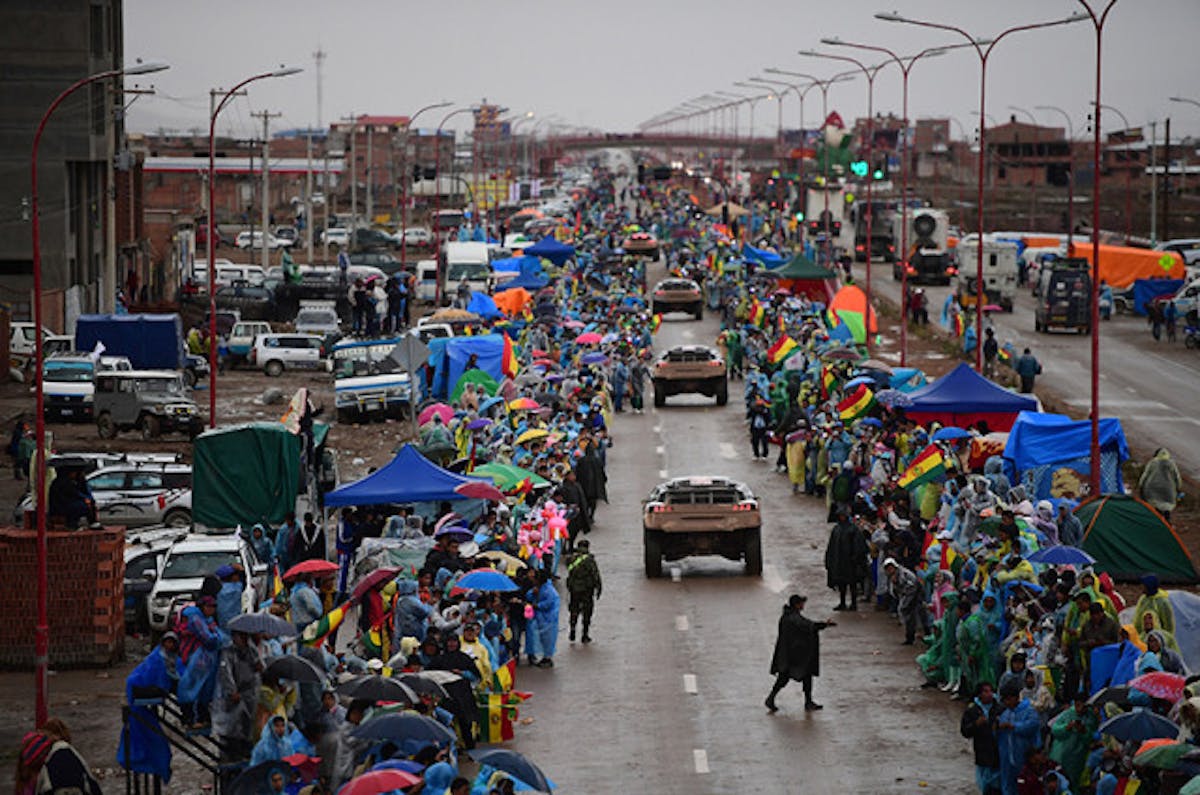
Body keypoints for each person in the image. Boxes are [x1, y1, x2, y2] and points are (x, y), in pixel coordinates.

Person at [766, 594, 834, 713]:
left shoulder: (788, 616)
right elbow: (808, 626)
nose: (803, 605)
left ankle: (806, 701)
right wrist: (824, 625)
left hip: (791, 653)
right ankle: (773, 698)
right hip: (794, 655)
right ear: (797, 605)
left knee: (792, 677)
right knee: (790, 676)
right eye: (802, 603)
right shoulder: (793, 618)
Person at [177, 595, 222, 728]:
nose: (212, 609)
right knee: (191, 688)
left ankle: (202, 718)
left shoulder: (208, 619)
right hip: (195, 658)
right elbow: (208, 638)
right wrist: (216, 637)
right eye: (209, 606)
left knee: (205, 689)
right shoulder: (196, 619)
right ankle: (190, 719)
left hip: (205, 659)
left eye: (214, 606)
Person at [995, 680, 1041, 795]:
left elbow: (1033, 726)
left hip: (1024, 756)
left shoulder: (1029, 711)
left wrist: (1013, 727)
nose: (1006, 703)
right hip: (1006, 758)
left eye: (1008, 699)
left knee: (1026, 785)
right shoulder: (1005, 714)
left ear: (1015, 698)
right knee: (1007, 785)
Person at [960, 682, 1001, 795]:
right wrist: (976, 724)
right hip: (982, 753)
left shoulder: (999, 708)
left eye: (990, 691)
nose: (989, 694)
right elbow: (965, 732)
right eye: (985, 691)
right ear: (979, 694)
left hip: (998, 753)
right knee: (984, 785)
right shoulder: (972, 711)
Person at [824, 509, 866, 611]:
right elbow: (832, 545)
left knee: (852, 584)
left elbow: (859, 546)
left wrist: (856, 558)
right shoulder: (836, 529)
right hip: (839, 561)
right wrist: (829, 559)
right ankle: (842, 603)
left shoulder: (853, 529)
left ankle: (853, 604)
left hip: (850, 562)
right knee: (841, 583)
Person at [566, 538, 602, 643]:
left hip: (574, 589)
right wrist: (599, 588)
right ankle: (584, 635)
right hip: (587, 589)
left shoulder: (571, 559)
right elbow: (595, 574)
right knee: (587, 612)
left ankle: (572, 628)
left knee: (574, 609)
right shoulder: (589, 560)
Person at [884, 558, 926, 645]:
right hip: (907, 596)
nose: (889, 570)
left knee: (919, 616)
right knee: (909, 619)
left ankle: (925, 635)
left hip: (915, 596)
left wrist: (905, 603)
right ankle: (910, 637)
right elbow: (893, 592)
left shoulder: (904, 574)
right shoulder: (892, 576)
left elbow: (912, 587)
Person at [525, 569, 560, 668]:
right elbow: (528, 596)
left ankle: (547, 658)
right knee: (541, 638)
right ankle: (544, 657)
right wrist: (533, 593)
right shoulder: (539, 588)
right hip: (540, 619)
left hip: (548, 620)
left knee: (547, 640)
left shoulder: (549, 590)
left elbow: (549, 603)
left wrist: (537, 606)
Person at [1138, 448, 1182, 519]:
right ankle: (1167, 520)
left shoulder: (1152, 463)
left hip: (1152, 489)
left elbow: (1145, 476)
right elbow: (1177, 478)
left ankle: (1158, 519)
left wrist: (1141, 486)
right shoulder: (1172, 464)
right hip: (1168, 491)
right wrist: (1178, 488)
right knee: (1167, 506)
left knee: (1155, 505)